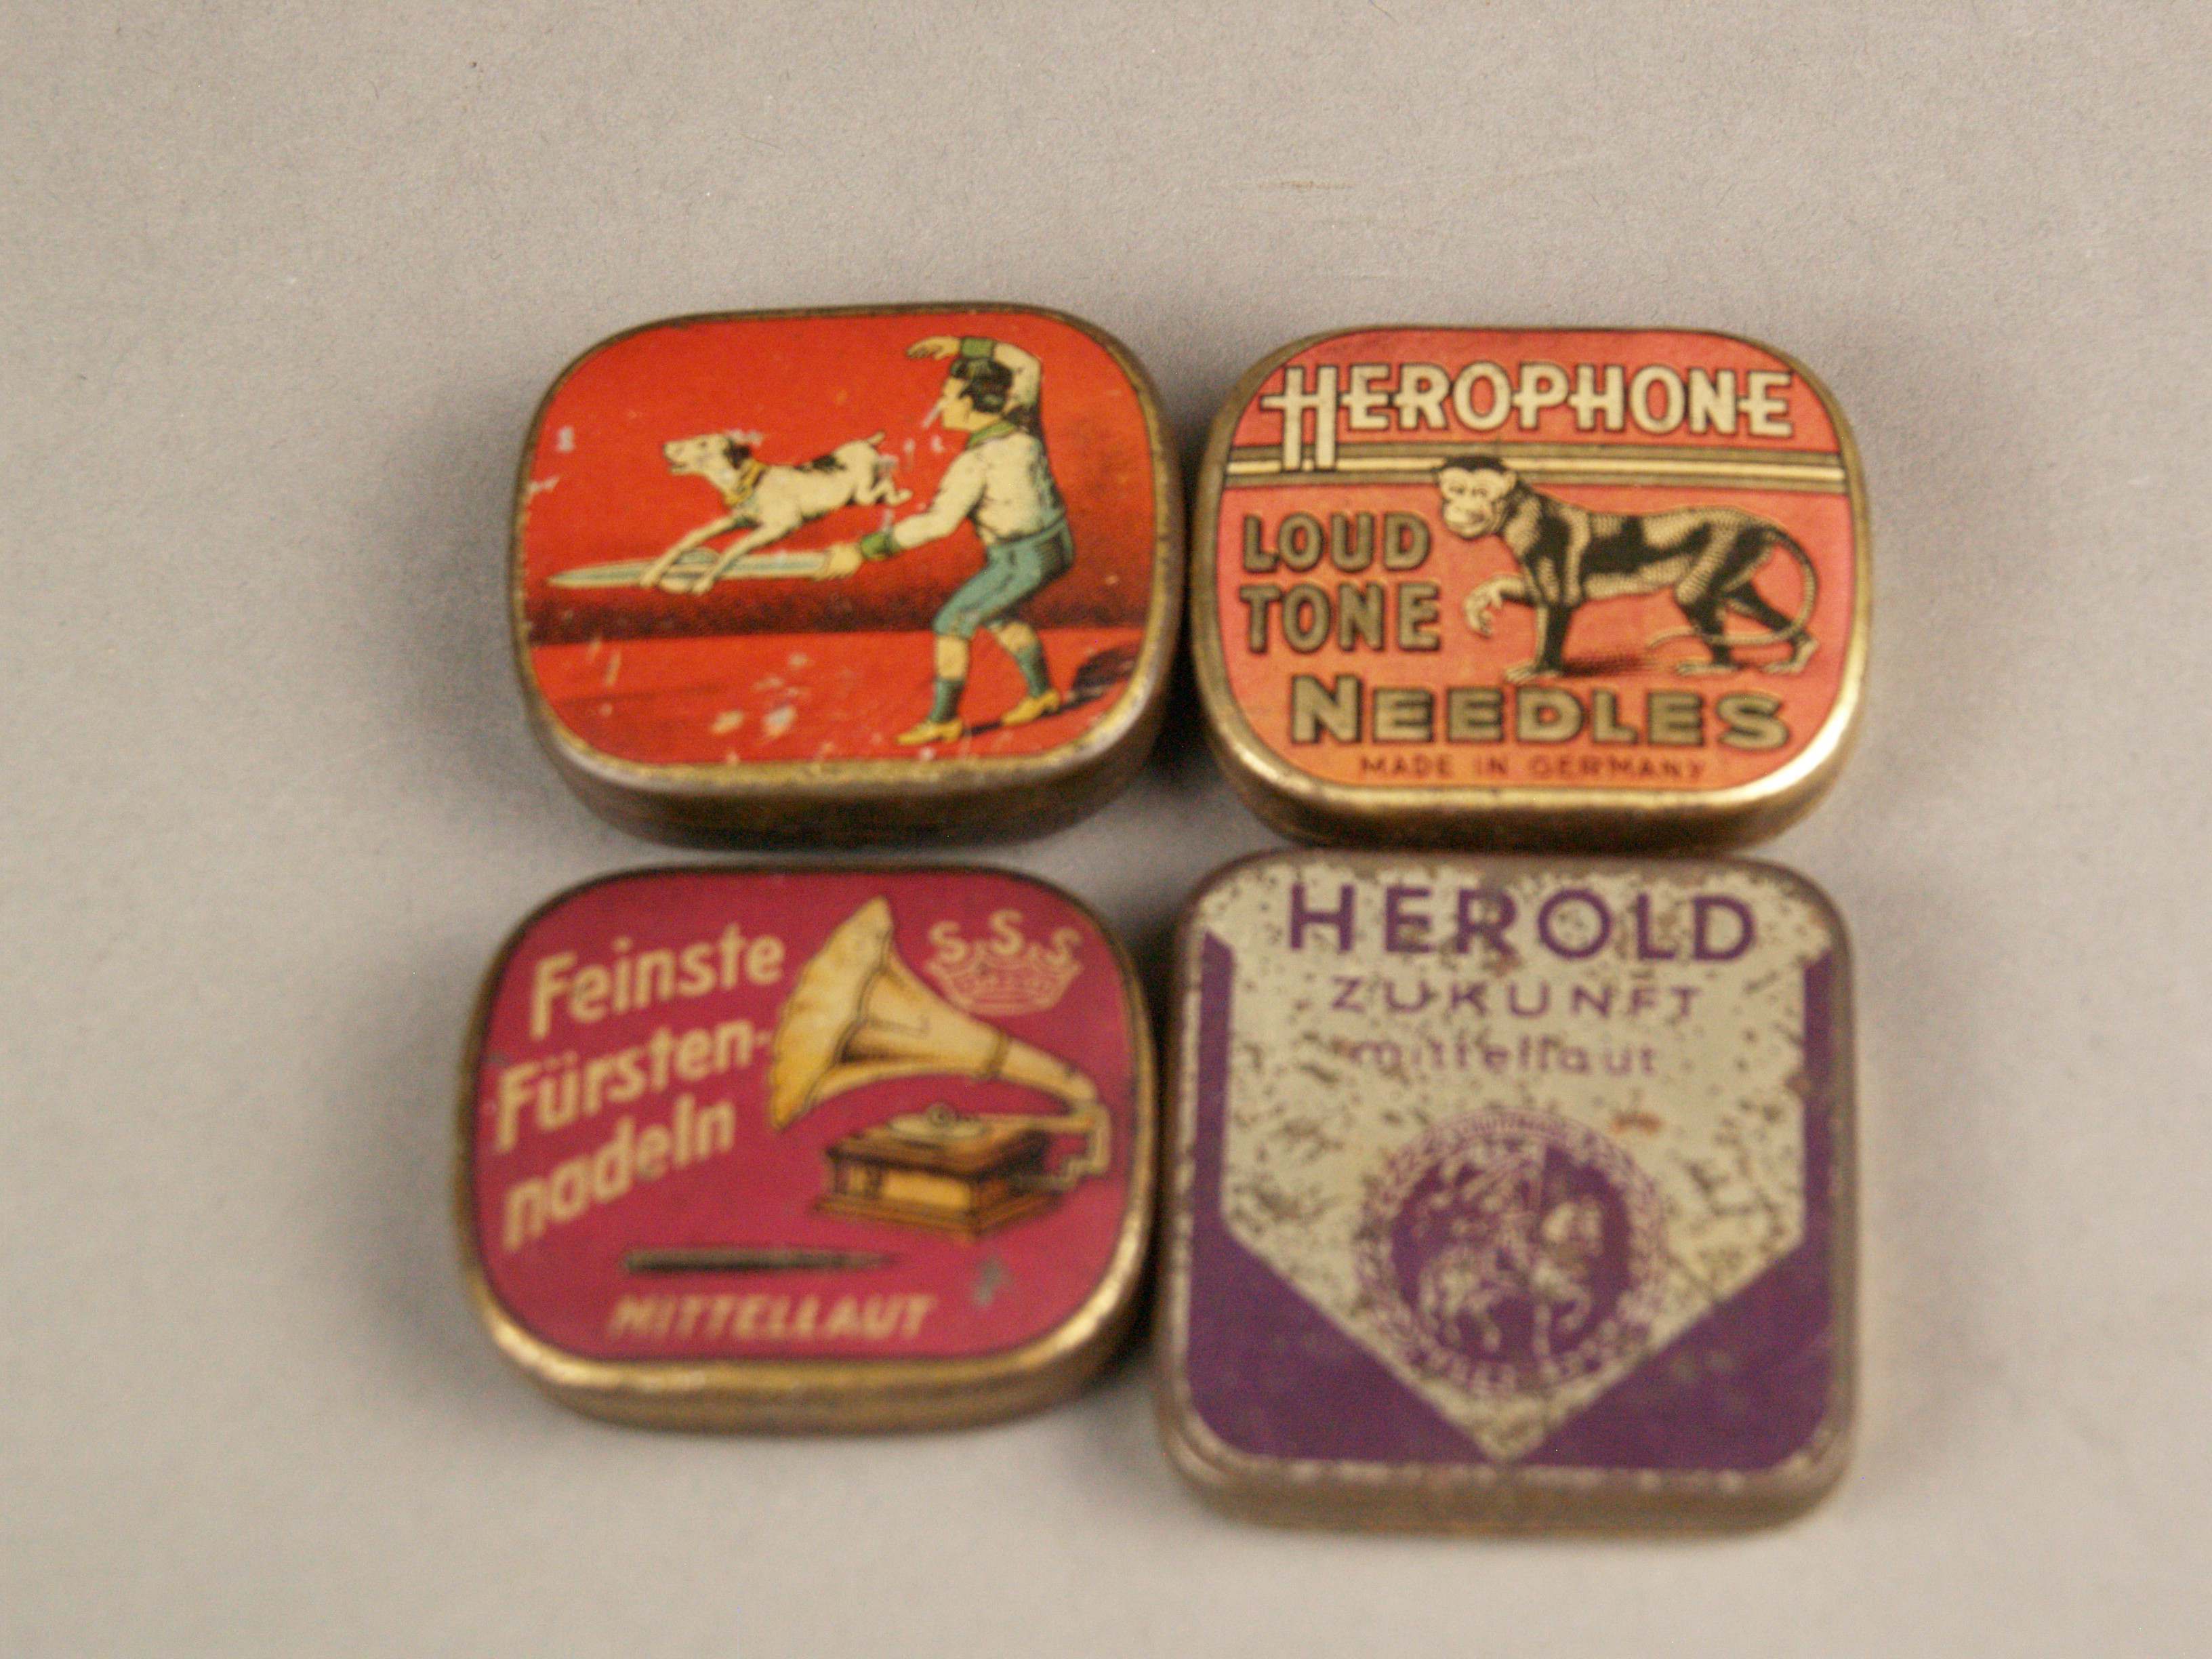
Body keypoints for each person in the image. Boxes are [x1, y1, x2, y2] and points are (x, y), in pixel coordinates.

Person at [815, 335, 1071, 745]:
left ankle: (943, 720)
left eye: (948, 396)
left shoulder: (974, 464)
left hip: (1020, 560)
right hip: (1055, 544)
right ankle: (1042, 694)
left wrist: (863, 550)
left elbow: (937, 524)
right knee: (997, 613)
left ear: (970, 404)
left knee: (952, 622)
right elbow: (1029, 364)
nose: (940, 404)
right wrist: (961, 345)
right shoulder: (1023, 418)